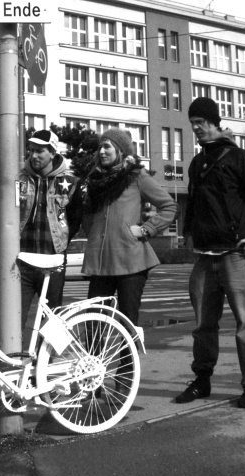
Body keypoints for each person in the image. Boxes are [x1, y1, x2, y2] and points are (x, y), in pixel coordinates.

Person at [176, 97, 245, 408]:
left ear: (215, 122)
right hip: (204, 257)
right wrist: (187, 233)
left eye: (200, 122)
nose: (195, 127)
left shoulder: (241, 159)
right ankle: (202, 381)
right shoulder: (196, 163)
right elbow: (194, 203)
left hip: (236, 257)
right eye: (192, 123)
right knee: (202, 325)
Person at [79, 128, 179, 327]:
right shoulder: (94, 180)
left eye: (107, 147)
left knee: (127, 323)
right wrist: (93, 236)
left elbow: (170, 206)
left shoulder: (135, 176)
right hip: (101, 263)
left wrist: (146, 229)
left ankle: (129, 360)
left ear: (121, 151)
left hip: (130, 263)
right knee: (93, 324)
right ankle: (94, 360)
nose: (101, 152)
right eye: (100, 147)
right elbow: (87, 215)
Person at [19, 129, 79, 328]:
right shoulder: (20, 179)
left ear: (53, 153)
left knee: (52, 320)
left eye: (40, 151)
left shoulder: (69, 183)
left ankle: (48, 359)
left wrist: (62, 241)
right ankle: (13, 357)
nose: (34, 155)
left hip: (53, 261)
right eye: (31, 150)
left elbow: (76, 218)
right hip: (23, 260)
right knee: (15, 317)